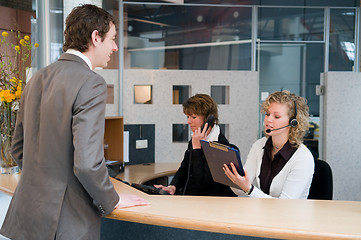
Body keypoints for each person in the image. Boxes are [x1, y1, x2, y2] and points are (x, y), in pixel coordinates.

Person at [0, 4, 148, 240]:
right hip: (66, 223)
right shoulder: (91, 83)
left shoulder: (36, 79)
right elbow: (87, 164)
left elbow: (18, 149)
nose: (115, 47)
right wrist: (113, 199)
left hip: (27, 218)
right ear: (95, 37)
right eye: (111, 39)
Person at [223, 90, 314, 199]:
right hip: (263, 213)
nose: (268, 120)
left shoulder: (303, 158)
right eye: (267, 114)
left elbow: (285, 205)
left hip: (289, 215)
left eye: (276, 117)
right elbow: (239, 191)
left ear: (293, 122)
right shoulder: (259, 145)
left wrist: (249, 189)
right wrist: (234, 179)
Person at [155, 94, 235, 196]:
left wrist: (197, 149)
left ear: (208, 118)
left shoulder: (220, 145)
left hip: (208, 203)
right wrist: (172, 186)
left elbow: (202, 184)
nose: (188, 121)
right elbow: (185, 168)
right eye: (188, 117)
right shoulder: (197, 137)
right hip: (190, 198)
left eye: (193, 117)